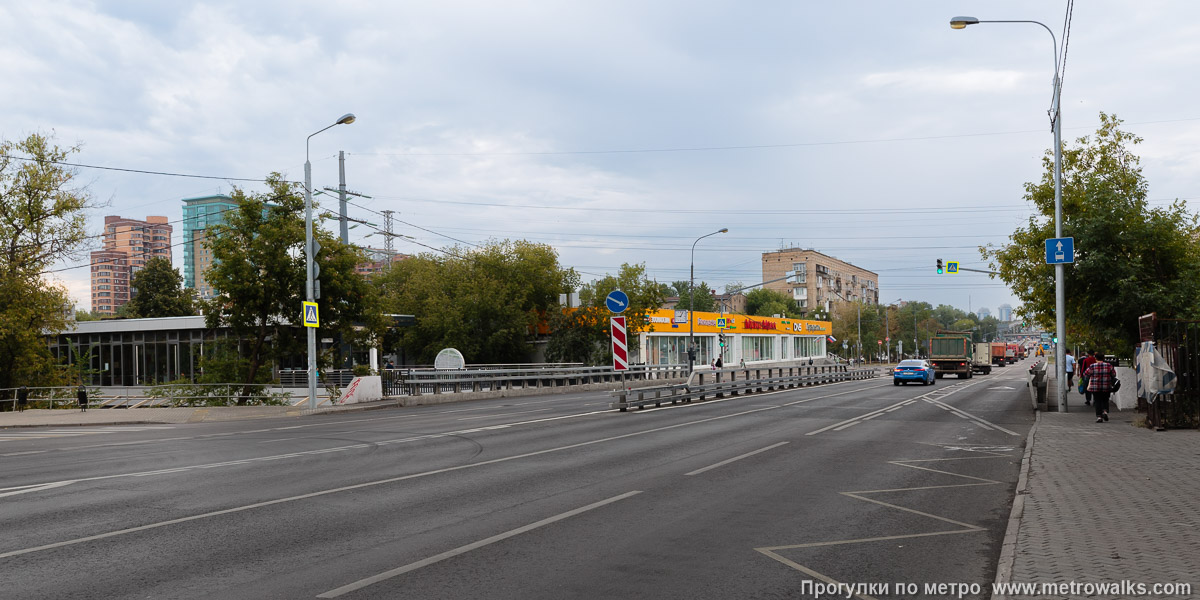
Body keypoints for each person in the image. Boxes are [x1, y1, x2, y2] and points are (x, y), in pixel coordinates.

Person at [1083, 356, 1116, 422]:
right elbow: (1114, 374)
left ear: (1096, 359)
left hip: (1095, 387)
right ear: (1103, 359)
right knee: (1105, 400)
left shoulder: (1092, 366)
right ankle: (1105, 412)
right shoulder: (1109, 365)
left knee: (1097, 401)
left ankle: (1099, 417)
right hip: (1106, 386)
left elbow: (1086, 374)